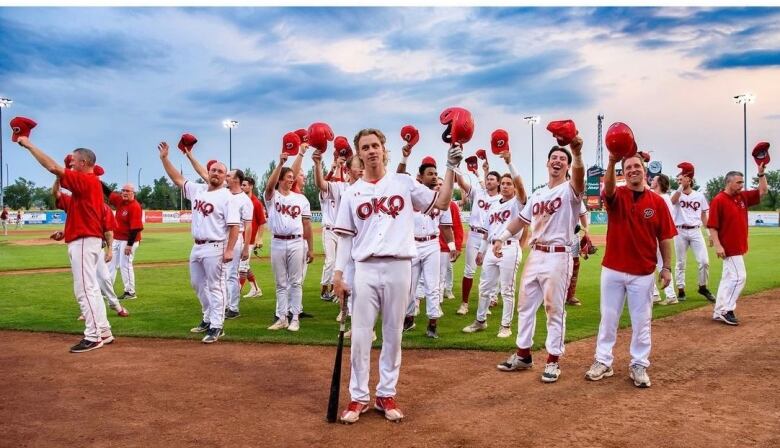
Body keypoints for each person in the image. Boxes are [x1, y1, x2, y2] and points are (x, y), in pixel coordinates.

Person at [334, 128, 460, 424]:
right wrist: (339, 274)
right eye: (365, 147)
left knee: (393, 334)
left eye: (376, 145)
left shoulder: (403, 183)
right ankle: (358, 397)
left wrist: (451, 167)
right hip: (365, 267)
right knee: (361, 336)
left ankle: (386, 393)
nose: (371, 151)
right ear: (359, 153)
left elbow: (441, 203)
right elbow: (345, 239)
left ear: (384, 150)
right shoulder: (352, 193)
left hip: (399, 265)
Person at [494, 138, 585, 383]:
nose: (557, 161)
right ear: (547, 163)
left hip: (558, 254)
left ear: (567, 166)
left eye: (562, 159)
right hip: (536, 254)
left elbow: (579, 176)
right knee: (525, 306)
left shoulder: (570, 190)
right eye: (554, 158)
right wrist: (501, 237)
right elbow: (520, 221)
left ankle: (553, 360)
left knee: (554, 308)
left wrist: (576, 153)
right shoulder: (537, 194)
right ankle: (523, 354)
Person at [585, 152, 676, 388]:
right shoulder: (617, 195)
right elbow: (609, 190)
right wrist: (613, 161)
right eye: (628, 167)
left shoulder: (657, 202)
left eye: (637, 166)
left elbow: (665, 238)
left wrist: (666, 268)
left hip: (643, 272)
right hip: (613, 268)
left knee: (642, 321)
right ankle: (603, 361)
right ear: (623, 173)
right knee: (608, 318)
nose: (633, 170)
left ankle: (639, 364)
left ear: (645, 170)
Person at [17, 136, 114, 353]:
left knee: (84, 289)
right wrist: (65, 232)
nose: (70, 163)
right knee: (92, 290)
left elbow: (52, 167)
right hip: (85, 240)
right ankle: (104, 331)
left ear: (85, 163)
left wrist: (30, 144)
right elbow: (77, 210)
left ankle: (93, 336)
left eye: (74, 160)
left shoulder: (88, 180)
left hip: (84, 242)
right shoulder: (88, 186)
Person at [158, 142, 240, 344]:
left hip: (216, 246)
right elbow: (177, 179)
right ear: (208, 171)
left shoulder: (228, 197)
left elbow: (235, 226)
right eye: (214, 170)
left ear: (225, 177)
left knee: (216, 286)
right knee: (197, 284)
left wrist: (230, 250)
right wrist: (164, 159)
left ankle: (217, 326)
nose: (216, 173)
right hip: (197, 246)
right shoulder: (198, 190)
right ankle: (207, 318)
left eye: (221, 172)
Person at [463, 151, 527, 338]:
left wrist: (510, 163)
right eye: (504, 183)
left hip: (509, 247)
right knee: (484, 287)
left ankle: (505, 326)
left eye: (510, 184)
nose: (506, 186)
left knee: (507, 289)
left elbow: (522, 188)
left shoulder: (518, 203)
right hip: (491, 248)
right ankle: (480, 321)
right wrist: (482, 251)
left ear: (514, 188)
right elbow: (486, 232)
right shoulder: (493, 205)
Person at [396, 154, 456, 339]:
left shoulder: (440, 198)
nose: (434, 176)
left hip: (432, 244)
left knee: (433, 286)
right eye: (430, 173)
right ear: (419, 177)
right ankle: (409, 318)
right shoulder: (410, 194)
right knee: (409, 285)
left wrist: (452, 246)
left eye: (436, 173)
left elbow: (446, 226)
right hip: (412, 243)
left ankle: (432, 323)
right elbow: (397, 180)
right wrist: (405, 158)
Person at [707, 165, 769, 325]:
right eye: (739, 183)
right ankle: (726, 310)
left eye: (742, 183)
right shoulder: (718, 200)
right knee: (740, 277)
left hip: (738, 245)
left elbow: (763, 191)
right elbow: (712, 226)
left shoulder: (742, 197)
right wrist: (718, 245)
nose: (742, 186)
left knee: (727, 279)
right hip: (729, 247)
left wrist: (761, 173)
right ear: (729, 183)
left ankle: (718, 310)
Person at [264, 151, 314, 332]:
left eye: (293, 177)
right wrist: (280, 164)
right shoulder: (273, 197)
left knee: (295, 282)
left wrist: (311, 248)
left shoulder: (301, 199)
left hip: (296, 242)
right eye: (288, 177)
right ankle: (282, 317)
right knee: (280, 283)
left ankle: (295, 318)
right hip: (277, 241)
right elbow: (269, 187)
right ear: (280, 179)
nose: (291, 180)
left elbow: (307, 224)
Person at [456, 160, 502, 316]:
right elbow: (461, 183)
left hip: (490, 238)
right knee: (469, 271)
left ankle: (486, 304)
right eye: (487, 179)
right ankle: (464, 304)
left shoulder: (501, 200)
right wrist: (456, 167)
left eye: (492, 179)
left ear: (498, 183)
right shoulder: (477, 192)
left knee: (487, 274)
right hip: (474, 234)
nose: (489, 181)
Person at [670, 164, 715, 302]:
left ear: (689, 180)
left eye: (682, 178)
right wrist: (680, 186)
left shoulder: (699, 196)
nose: (680, 180)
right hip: (680, 231)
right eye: (679, 179)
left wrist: (709, 234)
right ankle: (681, 290)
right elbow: (673, 201)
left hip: (695, 231)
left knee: (704, 261)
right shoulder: (676, 193)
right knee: (680, 263)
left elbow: (703, 216)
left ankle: (702, 287)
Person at [312, 149, 348, 302]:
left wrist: (340, 166)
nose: (333, 182)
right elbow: (322, 184)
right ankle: (324, 289)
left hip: (340, 231)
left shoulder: (342, 192)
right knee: (330, 261)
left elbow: (345, 183)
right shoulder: (324, 195)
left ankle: (335, 288)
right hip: (328, 230)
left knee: (341, 262)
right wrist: (332, 169)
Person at [106, 184, 144, 300]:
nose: (124, 193)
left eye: (127, 191)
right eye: (123, 190)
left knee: (125, 265)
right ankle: (106, 289)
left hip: (129, 240)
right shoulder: (120, 200)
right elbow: (108, 192)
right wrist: (95, 178)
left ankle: (130, 292)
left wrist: (129, 245)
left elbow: (135, 228)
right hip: (117, 238)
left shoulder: (135, 207)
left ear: (133, 193)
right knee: (110, 264)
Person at [650, 174, 678, 305]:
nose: (651, 181)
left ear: (659, 183)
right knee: (652, 265)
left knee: (662, 265)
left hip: (660, 236)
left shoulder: (664, 198)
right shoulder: (658, 196)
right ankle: (655, 294)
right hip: (655, 236)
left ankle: (671, 295)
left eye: (654, 179)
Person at [240, 177, 266, 298]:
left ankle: (232, 298)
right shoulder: (241, 201)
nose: (242, 187)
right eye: (241, 185)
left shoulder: (256, 202)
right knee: (245, 266)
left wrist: (259, 238)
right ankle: (256, 289)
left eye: (244, 185)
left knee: (242, 268)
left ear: (251, 186)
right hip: (239, 239)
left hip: (249, 241)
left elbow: (262, 222)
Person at [438, 177, 463, 301]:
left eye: (441, 184)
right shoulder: (426, 200)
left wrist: (457, 246)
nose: (439, 186)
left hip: (446, 245)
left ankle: (448, 289)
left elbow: (458, 227)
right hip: (431, 243)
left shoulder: (451, 205)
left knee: (447, 268)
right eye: (437, 184)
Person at [565, 199, 589, 307]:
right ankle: (550, 295)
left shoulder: (576, 197)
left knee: (574, 265)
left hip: (573, 237)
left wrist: (587, 232)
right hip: (556, 237)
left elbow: (583, 215)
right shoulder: (553, 195)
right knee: (555, 266)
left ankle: (570, 296)